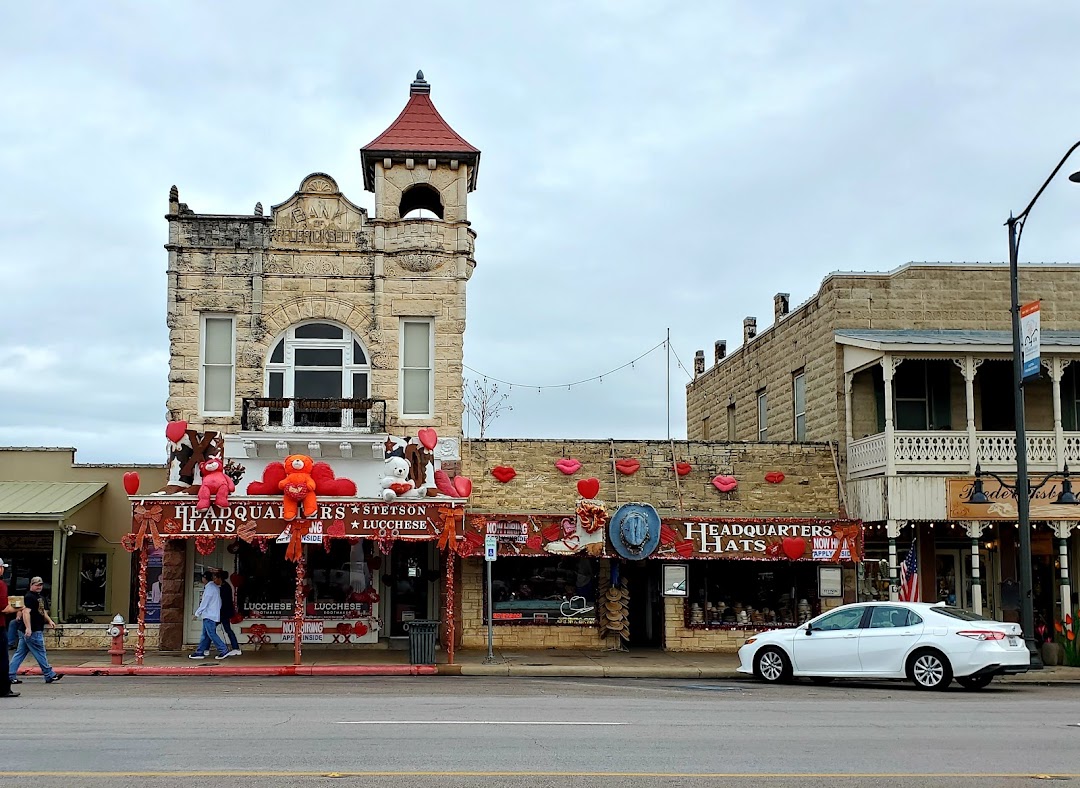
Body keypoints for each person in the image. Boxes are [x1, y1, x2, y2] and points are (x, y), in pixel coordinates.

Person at [9, 576, 63, 685]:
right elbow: (26, 612)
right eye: (36, 585)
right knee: (40, 652)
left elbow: (42, 611)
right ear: (31, 585)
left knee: (20, 653)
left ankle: (10, 675)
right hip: (32, 630)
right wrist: (28, 628)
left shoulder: (39, 597)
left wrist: (49, 621)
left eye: (40, 584)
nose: (39, 587)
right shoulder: (29, 597)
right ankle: (49, 674)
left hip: (29, 630)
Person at [189, 569, 230, 660]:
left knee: (211, 634)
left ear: (205, 578)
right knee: (205, 634)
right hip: (213, 614)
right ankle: (200, 651)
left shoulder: (209, 588)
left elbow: (204, 602)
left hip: (209, 615)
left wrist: (197, 613)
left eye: (203, 577)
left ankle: (223, 649)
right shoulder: (215, 587)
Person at [0, 558, 19, 697]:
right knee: (2, 659)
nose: (3, 569)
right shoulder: (1, 585)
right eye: (2, 567)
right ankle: (4, 688)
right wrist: (19, 607)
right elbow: (4, 609)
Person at [216, 570, 241, 657]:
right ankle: (235, 647)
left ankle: (235, 648)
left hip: (223, 613)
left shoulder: (224, 588)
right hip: (224, 613)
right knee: (227, 630)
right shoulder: (225, 586)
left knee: (210, 630)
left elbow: (224, 602)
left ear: (220, 578)